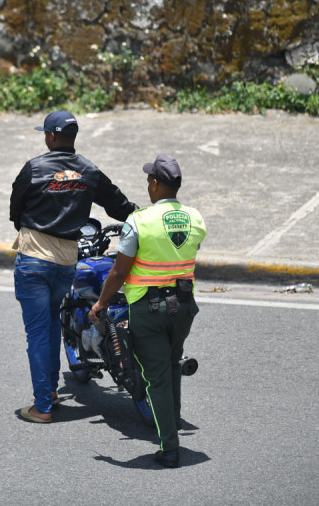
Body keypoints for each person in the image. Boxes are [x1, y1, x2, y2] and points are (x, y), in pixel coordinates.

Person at [10, 110, 136, 424]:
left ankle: (43, 406)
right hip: (66, 261)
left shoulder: (34, 168)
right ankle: (50, 391)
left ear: (51, 136)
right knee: (52, 323)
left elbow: (15, 210)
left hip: (34, 259)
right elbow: (121, 207)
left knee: (39, 332)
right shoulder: (89, 171)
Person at [89, 153, 206, 468]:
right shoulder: (195, 218)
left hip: (149, 310)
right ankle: (174, 422)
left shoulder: (139, 221)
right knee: (170, 365)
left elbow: (118, 272)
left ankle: (169, 448)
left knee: (156, 377)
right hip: (183, 307)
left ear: (155, 183)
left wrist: (100, 303)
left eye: (148, 180)